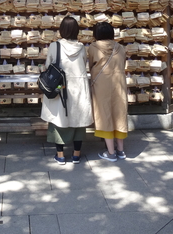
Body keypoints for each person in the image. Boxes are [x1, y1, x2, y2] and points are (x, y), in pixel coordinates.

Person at [41, 16, 93, 165]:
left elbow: (48, 66)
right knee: (78, 120)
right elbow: (83, 64)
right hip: (78, 88)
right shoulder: (82, 47)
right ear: (76, 30)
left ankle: (60, 155)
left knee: (58, 120)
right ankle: (76, 154)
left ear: (62, 30)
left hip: (60, 87)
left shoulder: (54, 46)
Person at [88, 22, 128, 161]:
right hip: (119, 84)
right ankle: (121, 151)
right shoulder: (121, 48)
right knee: (119, 113)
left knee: (104, 114)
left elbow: (90, 64)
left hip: (101, 84)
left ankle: (111, 153)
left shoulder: (93, 48)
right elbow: (123, 63)